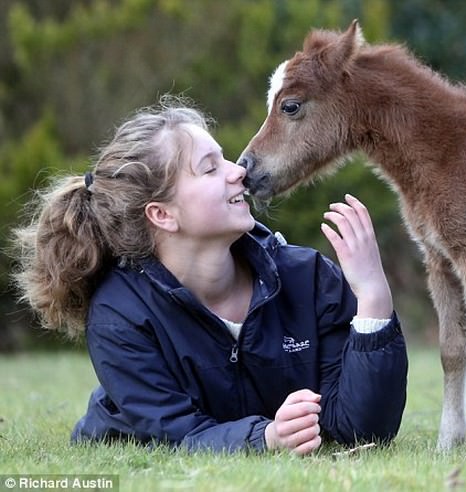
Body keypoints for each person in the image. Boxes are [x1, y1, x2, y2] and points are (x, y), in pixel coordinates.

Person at [12, 97, 408, 455]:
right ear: (162, 215)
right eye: (209, 168)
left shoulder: (310, 279)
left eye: (224, 159)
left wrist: (373, 297)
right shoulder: (120, 316)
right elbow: (178, 435)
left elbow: (363, 432)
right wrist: (267, 437)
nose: (238, 172)